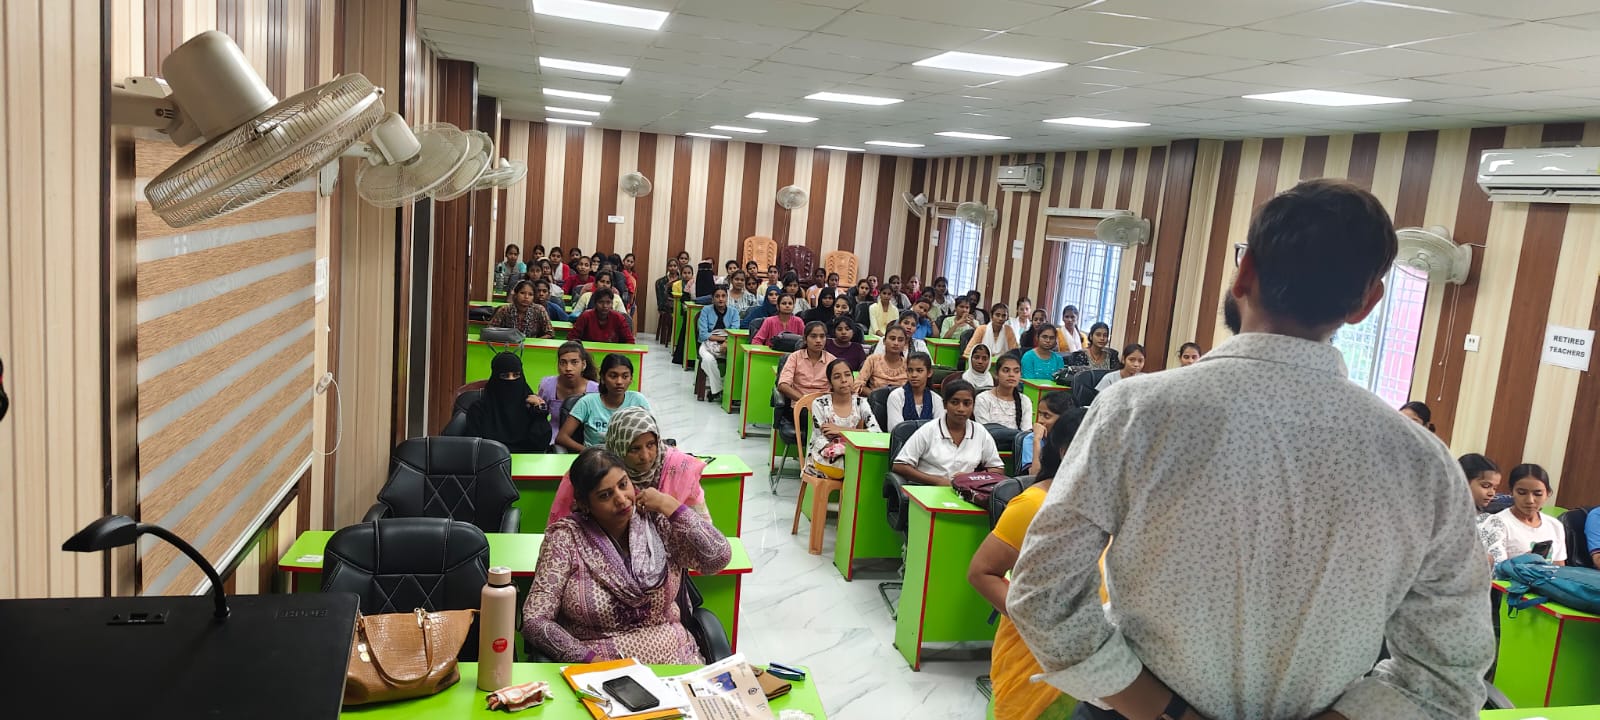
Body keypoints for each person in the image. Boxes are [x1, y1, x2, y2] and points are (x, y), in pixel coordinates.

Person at [1008, 178, 1492, 720]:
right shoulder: (1422, 462)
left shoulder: (1136, 411)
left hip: (1141, 710)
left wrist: (1171, 713)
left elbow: (1043, 593)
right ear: (1367, 304)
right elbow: (1447, 672)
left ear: (1244, 273)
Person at [522, 447, 730, 663]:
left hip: (677, 663)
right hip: (603, 671)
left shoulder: (656, 521)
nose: (621, 499)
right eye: (605, 495)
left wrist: (669, 504)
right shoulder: (565, 538)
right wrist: (589, 661)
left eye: (623, 485)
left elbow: (718, 557)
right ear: (584, 504)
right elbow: (535, 619)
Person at [969, 411, 1087, 720]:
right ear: (1067, 451)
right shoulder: (1033, 504)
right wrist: (1040, 623)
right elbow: (982, 573)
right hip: (1037, 655)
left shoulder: (1106, 504)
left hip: (1090, 659)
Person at [548, 407, 709, 527]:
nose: (645, 456)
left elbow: (705, 531)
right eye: (634, 449)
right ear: (618, 447)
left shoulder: (680, 469)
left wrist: (664, 504)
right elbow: (562, 528)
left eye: (651, 445)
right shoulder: (591, 470)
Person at [891, 379, 1004, 487]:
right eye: (955, 402)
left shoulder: (980, 432)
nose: (961, 409)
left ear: (973, 406)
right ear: (945, 404)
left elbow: (998, 469)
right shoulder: (929, 430)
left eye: (967, 403)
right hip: (927, 490)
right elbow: (900, 466)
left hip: (965, 492)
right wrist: (937, 481)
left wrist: (972, 477)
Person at [557, 354, 650, 450]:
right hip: (595, 457)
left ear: (630, 379)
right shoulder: (587, 402)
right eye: (613, 376)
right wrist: (589, 452)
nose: (619, 382)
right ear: (603, 378)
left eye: (625, 376)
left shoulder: (638, 400)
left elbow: (651, 434)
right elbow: (562, 437)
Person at [464, 352, 553, 453]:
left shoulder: (531, 406)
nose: (511, 380)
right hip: (491, 459)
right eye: (505, 376)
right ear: (495, 378)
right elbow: (474, 449)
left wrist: (539, 413)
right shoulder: (478, 409)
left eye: (516, 375)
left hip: (527, 459)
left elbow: (541, 444)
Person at [807, 359, 881, 478]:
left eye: (847, 375)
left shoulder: (861, 403)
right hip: (822, 458)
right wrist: (842, 448)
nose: (844, 380)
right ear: (830, 383)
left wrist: (840, 431)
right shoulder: (820, 404)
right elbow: (819, 439)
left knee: (866, 465)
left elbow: (876, 432)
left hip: (851, 454)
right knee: (858, 469)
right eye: (837, 377)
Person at [1485, 464, 1566, 565]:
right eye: (1522, 493)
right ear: (1511, 492)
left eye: (1538, 494)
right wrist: (1521, 562)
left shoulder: (1555, 525)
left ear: (1548, 493)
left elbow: (1559, 567)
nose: (1530, 500)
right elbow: (1493, 569)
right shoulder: (1497, 524)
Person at [536, 342, 599, 445]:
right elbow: (539, 416)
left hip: (586, 440)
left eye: (574, 362)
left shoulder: (595, 390)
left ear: (583, 365)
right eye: (563, 362)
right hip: (551, 440)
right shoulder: (547, 385)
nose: (568, 368)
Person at [696, 286, 741, 402]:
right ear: (712, 298)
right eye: (717, 296)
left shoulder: (734, 312)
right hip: (707, 344)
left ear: (727, 297)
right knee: (708, 360)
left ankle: (726, 390)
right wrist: (722, 338)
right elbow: (703, 335)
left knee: (736, 361)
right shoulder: (706, 310)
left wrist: (726, 343)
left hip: (728, 344)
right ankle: (718, 390)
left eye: (723, 296)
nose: (720, 299)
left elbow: (735, 332)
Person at [1019, 391, 1077, 477]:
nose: (1040, 420)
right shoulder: (1031, 439)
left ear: (1064, 418)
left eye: (1047, 416)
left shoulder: (1074, 439)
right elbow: (1034, 475)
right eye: (1040, 414)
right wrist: (1036, 441)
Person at [777, 321, 836, 402]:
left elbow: (840, 386)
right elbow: (783, 385)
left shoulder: (832, 360)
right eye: (813, 336)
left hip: (824, 405)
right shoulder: (795, 357)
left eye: (822, 336)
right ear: (805, 339)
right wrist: (805, 401)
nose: (818, 340)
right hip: (800, 403)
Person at [886, 352, 943, 432]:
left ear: (929, 373)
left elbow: (940, 430)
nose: (914, 375)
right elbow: (896, 430)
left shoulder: (936, 399)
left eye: (919, 371)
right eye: (910, 370)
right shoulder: (896, 396)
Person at [975, 354, 1033, 432]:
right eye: (1006, 371)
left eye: (1016, 371)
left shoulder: (1025, 401)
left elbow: (1026, 433)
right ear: (996, 374)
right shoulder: (983, 399)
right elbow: (984, 431)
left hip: (1017, 440)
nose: (1011, 375)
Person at [488, 280, 555, 339]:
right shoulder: (505, 310)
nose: (526, 297)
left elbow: (550, 333)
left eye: (530, 294)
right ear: (516, 294)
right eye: (522, 293)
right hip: (507, 345)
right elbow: (490, 330)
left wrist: (535, 342)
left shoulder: (539, 310)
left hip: (531, 346)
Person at [569, 289, 636, 344]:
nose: (605, 306)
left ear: (612, 303)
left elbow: (630, 341)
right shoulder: (585, 316)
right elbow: (572, 338)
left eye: (608, 302)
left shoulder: (618, 318)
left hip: (613, 353)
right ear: (595, 303)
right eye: (601, 302)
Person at [857, 325, 910, 393]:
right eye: (892, 339)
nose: (896, 343)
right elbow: (858, 385)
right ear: (884, 341)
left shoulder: (909, 364)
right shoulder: (873, 360)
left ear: (905, 343)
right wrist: (874, 396)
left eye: (900, 340)